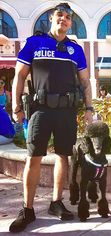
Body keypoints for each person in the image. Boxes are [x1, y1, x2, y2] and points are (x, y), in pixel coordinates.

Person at [9, 3, 93, 233]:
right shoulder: (34, 43)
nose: (63, 19)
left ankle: (56, 203)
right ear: (50, 18)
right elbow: (19, 76)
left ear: (71, 22)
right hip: (40, 110)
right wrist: (16, 106)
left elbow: (85, 82)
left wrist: (89, 108)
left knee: (63, 156)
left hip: (66, 111)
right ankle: (27, 210)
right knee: (33, 158)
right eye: (59, 15)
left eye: (68, 17)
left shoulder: (76, 50)